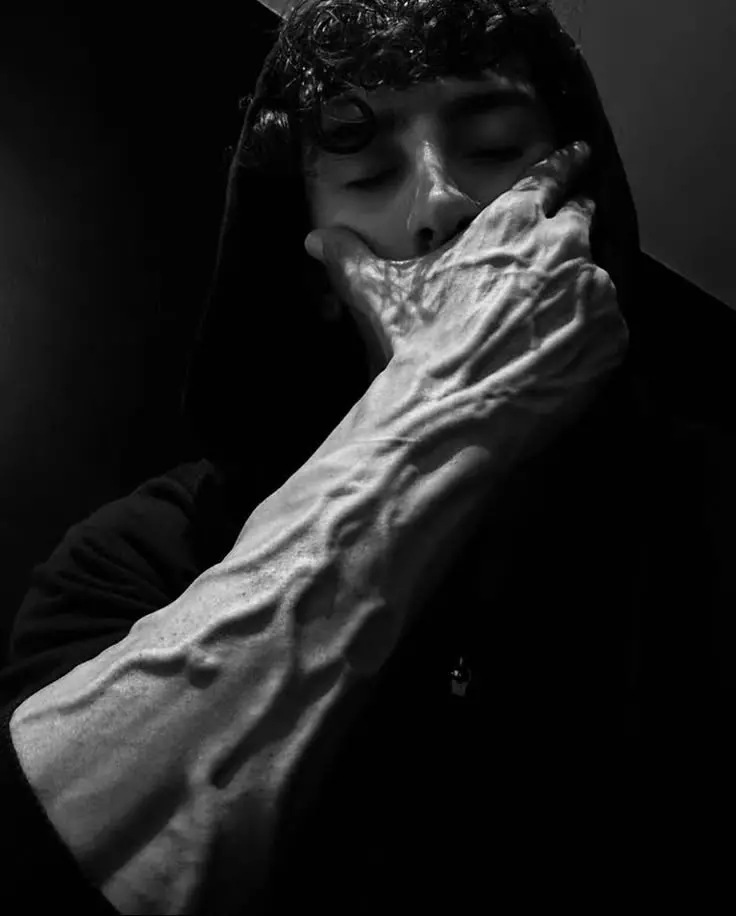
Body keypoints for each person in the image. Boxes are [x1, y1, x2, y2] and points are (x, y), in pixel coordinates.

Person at [1, 1, 734, 912]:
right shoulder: (137, 558)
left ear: (583, 216)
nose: (439, 204)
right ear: (314, 269)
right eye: (372, 171)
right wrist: (444, 401)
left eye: (496, 147)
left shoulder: (712, 514)